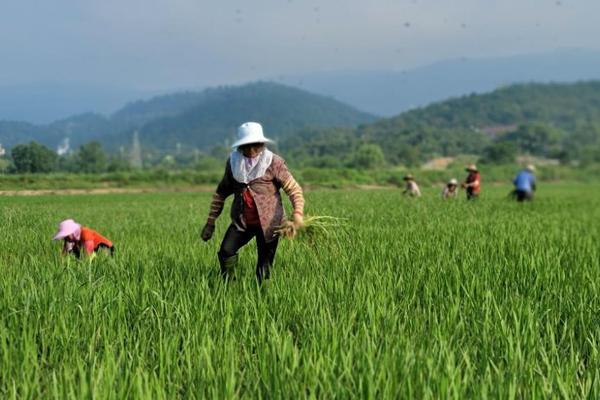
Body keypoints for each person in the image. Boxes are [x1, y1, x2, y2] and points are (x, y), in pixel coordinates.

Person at [200, 122, 305, 283]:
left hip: (270, 224)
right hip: (243, 222)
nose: (251, 150)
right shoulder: (234, 163)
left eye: (255, 145)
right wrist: (210, 223)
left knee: (263, 269)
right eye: (247, 146)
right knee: (226, 251)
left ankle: (262, 297)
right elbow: (221, 193)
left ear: (262, 143)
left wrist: (297, 215)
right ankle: (229, 287)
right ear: (241, 146)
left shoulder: (273, 162)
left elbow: (294, 190)